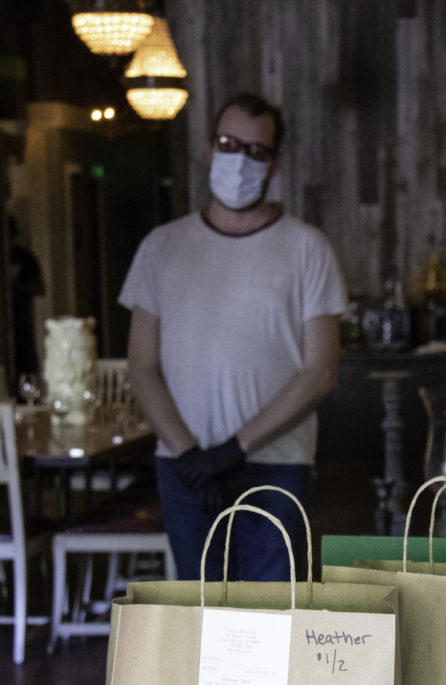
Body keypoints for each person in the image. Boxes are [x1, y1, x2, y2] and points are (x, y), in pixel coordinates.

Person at [119, 93, 347, 581]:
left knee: (273, 619)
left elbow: (320, 372)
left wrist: (234, 450)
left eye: (256, 151)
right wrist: (189, 454)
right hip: (185, 469)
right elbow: (142, 365)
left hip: (277, 467)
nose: (239, 160)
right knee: (201, 616)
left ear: (275, 164)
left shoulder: (308, 248)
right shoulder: (162, 246)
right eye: (228, 143)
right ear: (207, 149)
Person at [8, 215, 45, 389]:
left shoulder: (24, 257)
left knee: (26, 361)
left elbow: (41, 288)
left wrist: (16, 286)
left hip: (21, 318)